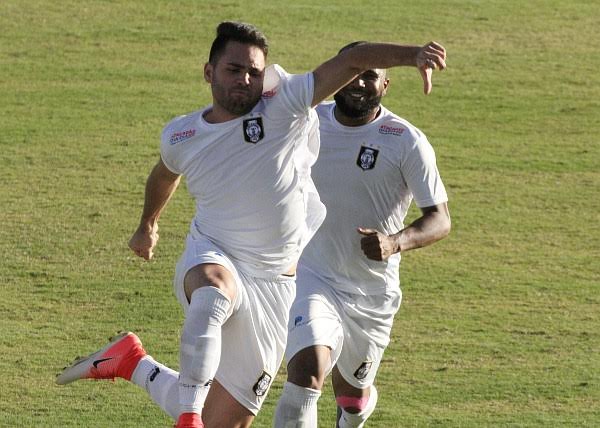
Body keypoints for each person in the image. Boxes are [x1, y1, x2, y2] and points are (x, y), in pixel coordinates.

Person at [56, 22, 447, 428]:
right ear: (209, 72)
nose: (244, 80)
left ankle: (133, 363)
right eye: (233, 69)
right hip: (215, 252)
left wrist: (412, 55)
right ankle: (188, 416)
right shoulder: (183, 133)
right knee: (213, 296)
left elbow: (351, 59)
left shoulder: (287, 105)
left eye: (254, 73)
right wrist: (147, 225)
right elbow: (163, 174)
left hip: (278, 284)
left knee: (227, 420)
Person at [273, 42, 451, 428]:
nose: (358, 82)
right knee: (306, 370)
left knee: (351, 397)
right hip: (311, 276)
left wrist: (394, 242)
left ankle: (356, 407)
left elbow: (440, 218)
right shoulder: (307, 120)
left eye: (369, 75)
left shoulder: (405, 140)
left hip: (371, 292)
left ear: (385, 85)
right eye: (353, 72)